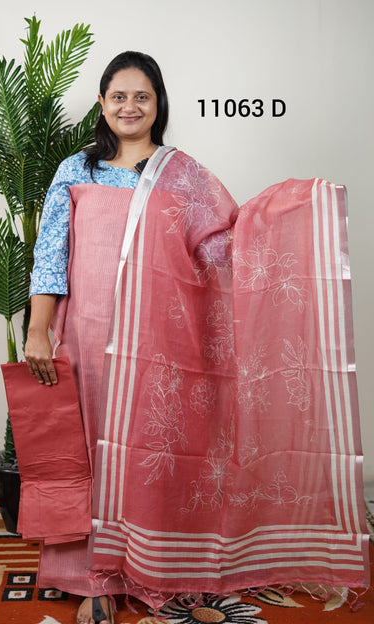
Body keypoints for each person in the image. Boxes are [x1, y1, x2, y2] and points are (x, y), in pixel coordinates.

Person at [24, 52, 369, 624]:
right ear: (102, 104)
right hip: (84, 333)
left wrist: (291, 213)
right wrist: (38, 330)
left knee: (147, 451)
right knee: (87, 449)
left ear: (158, 104)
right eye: (118, 96)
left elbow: (224, 247)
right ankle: (90, 578)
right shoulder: (77, 170)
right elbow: (50, 256)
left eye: (141, 96)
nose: (129, 107)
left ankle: (147, 565)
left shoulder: (181, 175)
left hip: (157, 346)